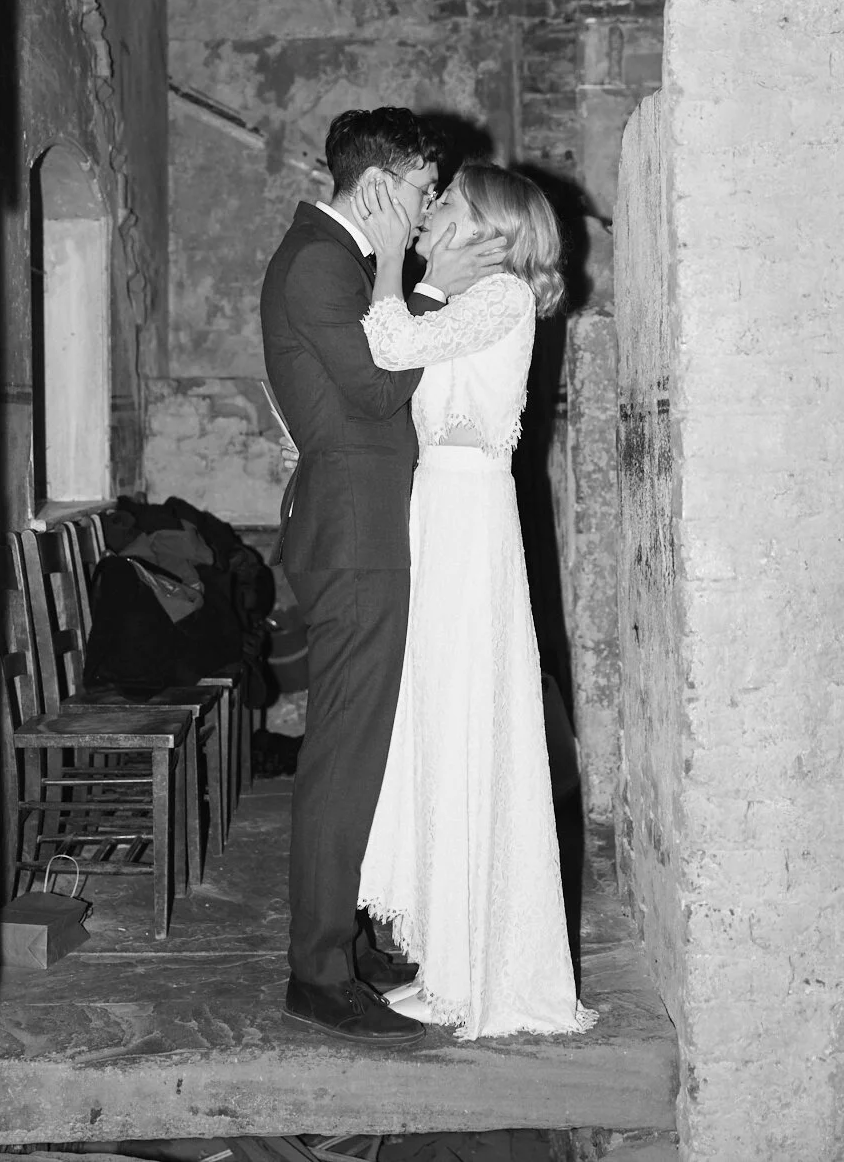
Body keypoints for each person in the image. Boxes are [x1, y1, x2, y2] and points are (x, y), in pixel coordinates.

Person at [259, 107, 506, 1047]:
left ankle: (346, 944)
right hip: (355, 535)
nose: (427, 205)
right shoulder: (322, 260)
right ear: (375, 187)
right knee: (344, 758)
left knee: (367, 750)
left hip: (366, 529)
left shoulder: (337, 257)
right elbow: (371, 388)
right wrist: (435, 291)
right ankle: (318, 978)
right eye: (419, 190)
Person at [353, 161, 599, 1040]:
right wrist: (415, 280)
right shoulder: (474, 301)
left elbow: (389, 344)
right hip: (441, 511)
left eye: (445, 203)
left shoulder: (498, 296)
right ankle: (449, 964)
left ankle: (482, 977)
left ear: (488, 228)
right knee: (439, 724)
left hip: (466, 516)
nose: (431, 213)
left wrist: (389, 264)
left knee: (465, 722)